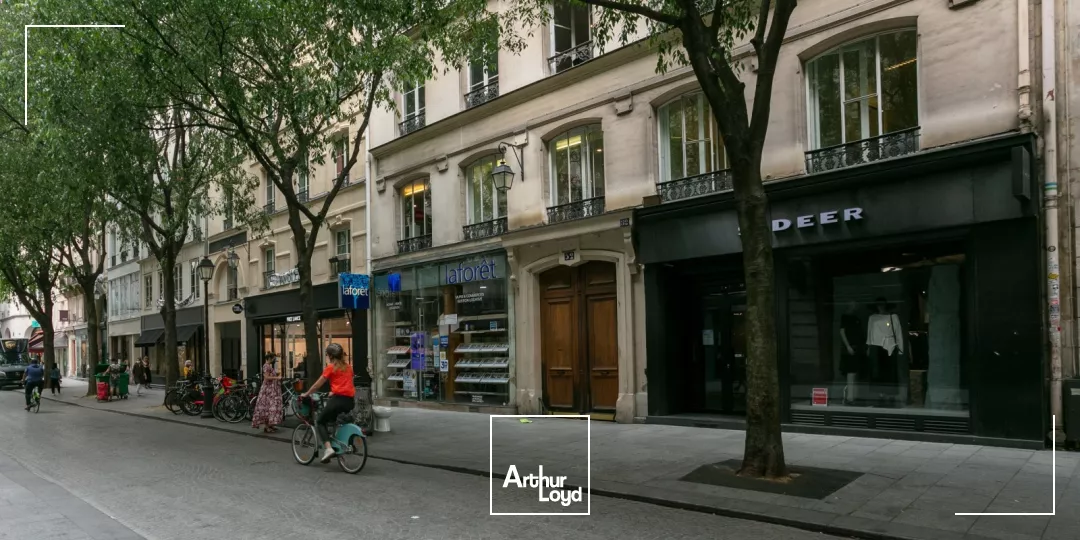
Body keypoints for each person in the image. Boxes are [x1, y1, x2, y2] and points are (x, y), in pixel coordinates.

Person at [301, 343, 354, 463]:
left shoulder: (331, 367)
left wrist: (307, 394)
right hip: (350, 401)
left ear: (330, 356)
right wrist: (333, 391)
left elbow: (317, 385)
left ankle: (329, 449)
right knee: (333, 419)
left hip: (337, 400)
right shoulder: (349, 367)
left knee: (320, 421)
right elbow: (346, 382)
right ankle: (336, 444)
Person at [251, 353, 284, 433]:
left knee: (271, 406)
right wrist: (277, 377)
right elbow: (266, 377)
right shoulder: (266, 366)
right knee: (268, 406)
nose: (274, 360)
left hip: (271, 389)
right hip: (268, 390)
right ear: (270, 358)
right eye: (273, 358)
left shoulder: (269, 366)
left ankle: (270, 425)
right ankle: (267, 427)